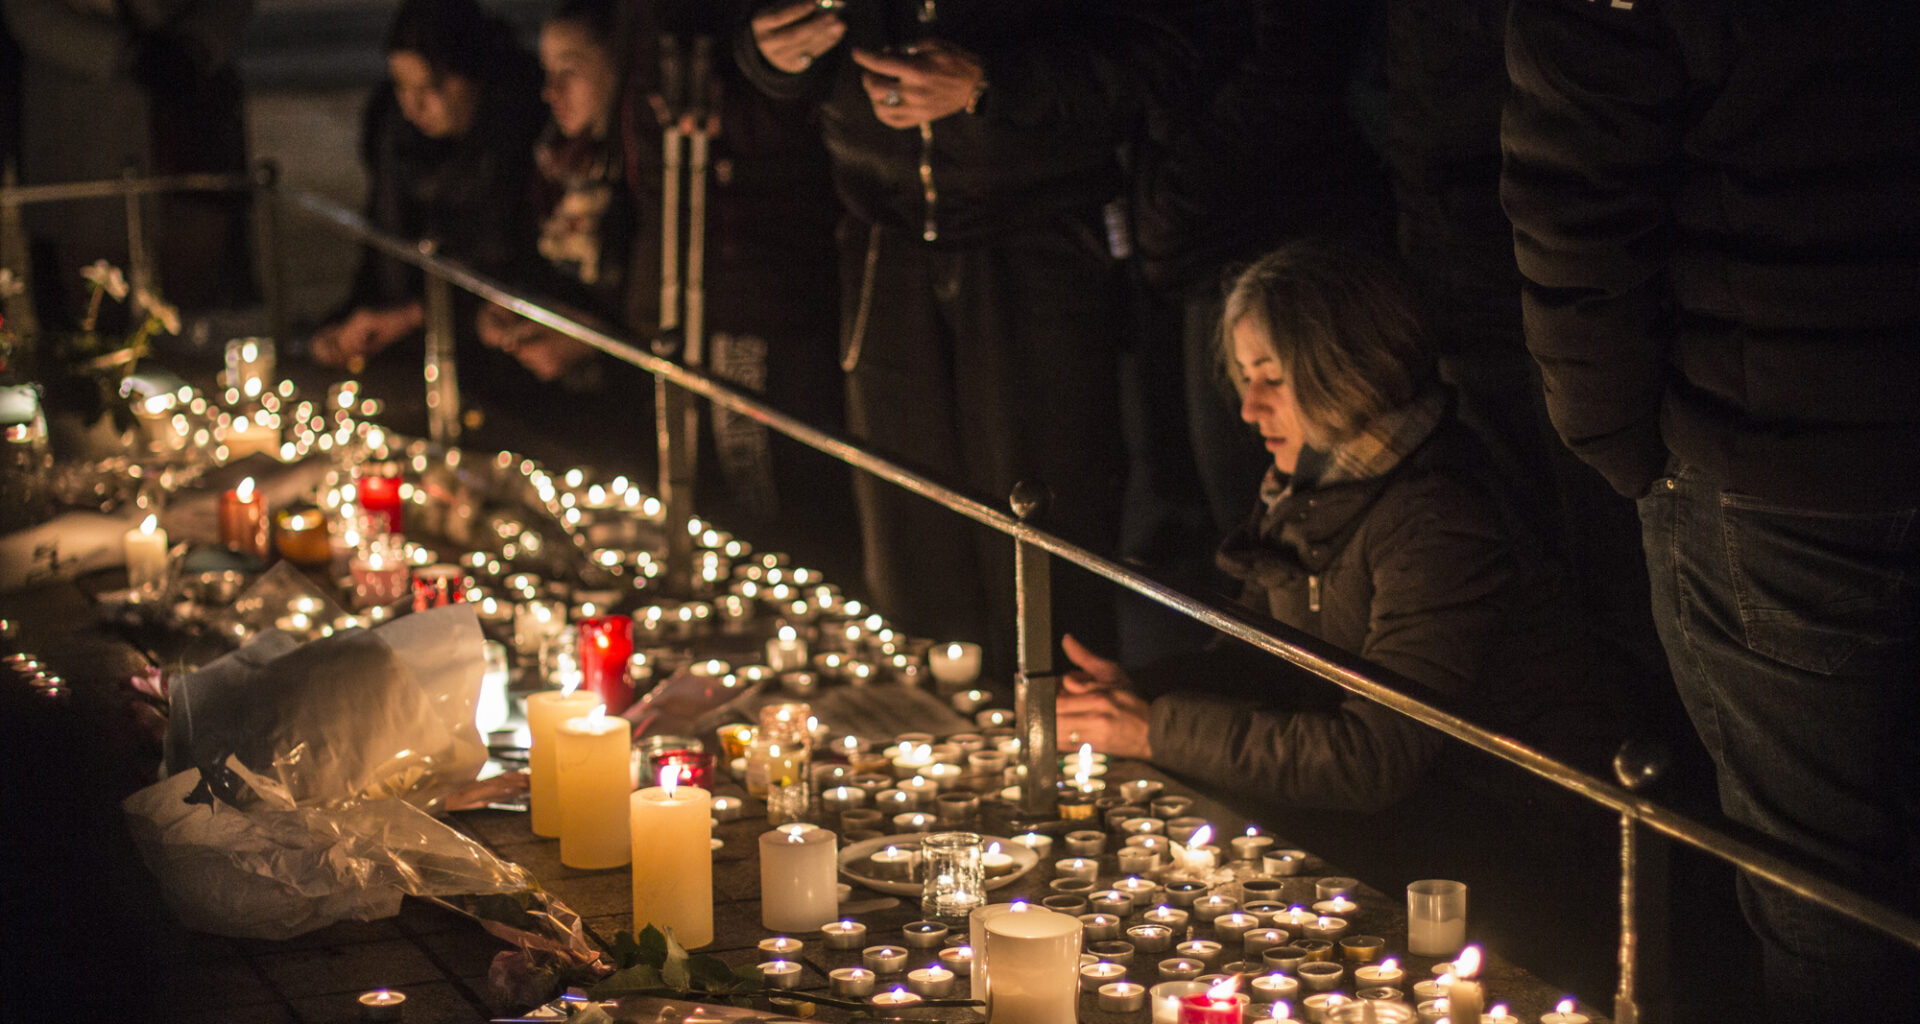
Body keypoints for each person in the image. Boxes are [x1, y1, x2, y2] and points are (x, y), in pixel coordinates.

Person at [1502, 0, 1920, 1018]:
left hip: (1777, 448)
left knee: (1829, 903)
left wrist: (1623, 443)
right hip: (1790, 429)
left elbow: (1577, 189)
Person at [1055, 241, 1622, 812]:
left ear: (1346, 371)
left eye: (1272, 378)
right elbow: (1259, 661)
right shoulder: (1306, 490)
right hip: (1415, 821)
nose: (1249, 409)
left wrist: (1152, 729)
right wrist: (1137, 695)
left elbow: (1373, 758)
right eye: (1246, 377)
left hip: (1506, 832)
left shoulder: (1438, 521)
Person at [736, 0, 1187, 674]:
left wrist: (989, 83)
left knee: (1046, 541)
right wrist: (768, 55)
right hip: (882, 234)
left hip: (1038, 238)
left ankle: (1062, 752)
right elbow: (757, 48)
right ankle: (934, 749)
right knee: (909, 540)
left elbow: (1168, 54)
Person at [307, 0, 544, 373]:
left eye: (430, 86)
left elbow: (516, 271)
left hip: (501, 365)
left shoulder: (521, 145)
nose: (413, 106)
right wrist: (341, 327)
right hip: (411, 357)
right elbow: (378, 255)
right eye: (402, 86)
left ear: (474, 76)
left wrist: (409, 317)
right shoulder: (398, 146)